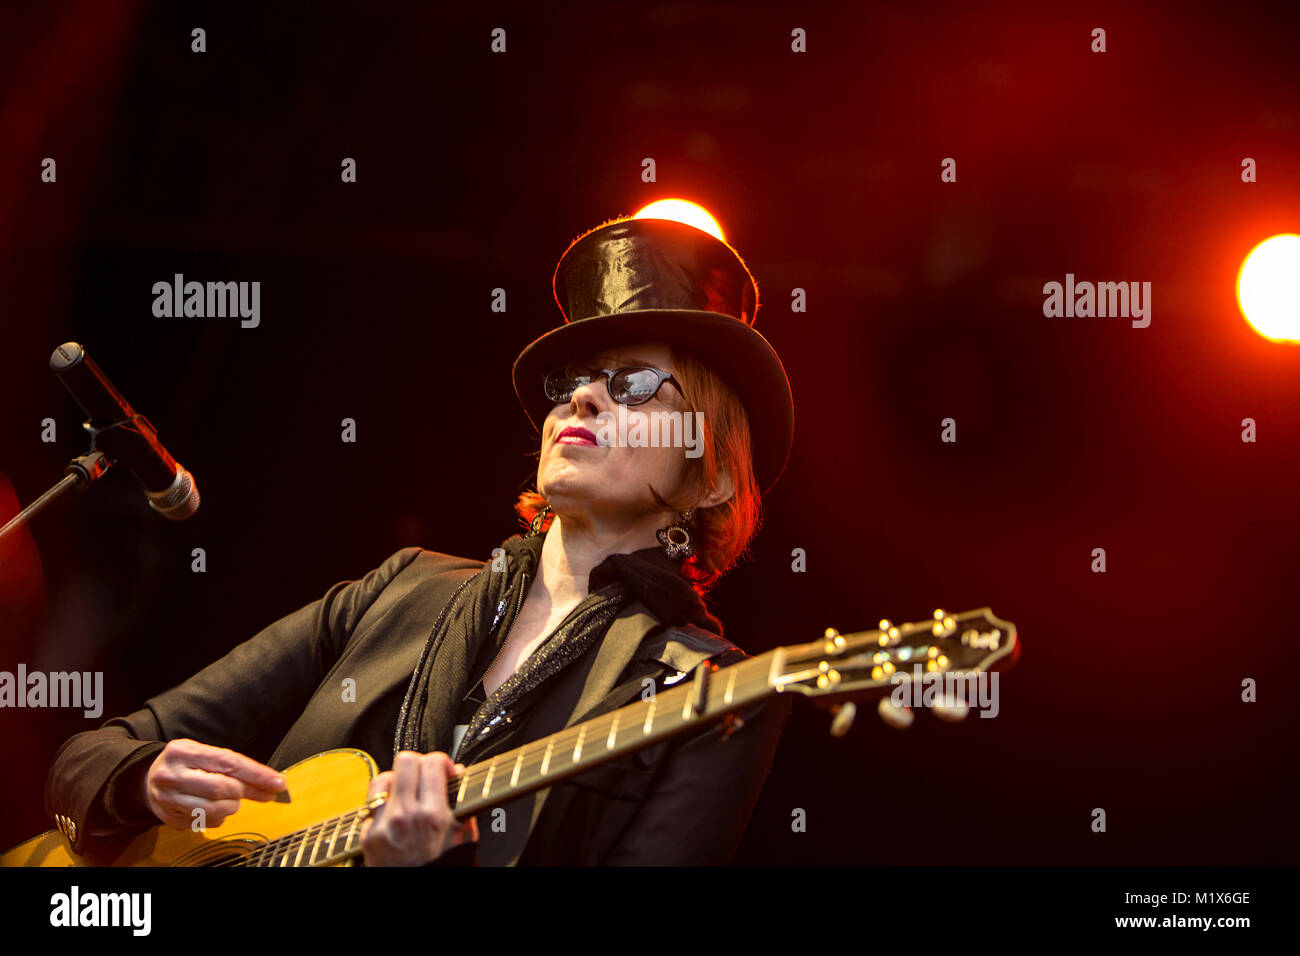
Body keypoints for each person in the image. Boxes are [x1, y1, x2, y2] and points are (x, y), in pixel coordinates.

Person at [42, 213, 799, 866]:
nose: (582, 394)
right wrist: (141, 779)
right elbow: (86, 758)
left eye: (632, 382)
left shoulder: (715, 696)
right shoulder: (403, 589)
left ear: (713, 478)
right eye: (574, 377)